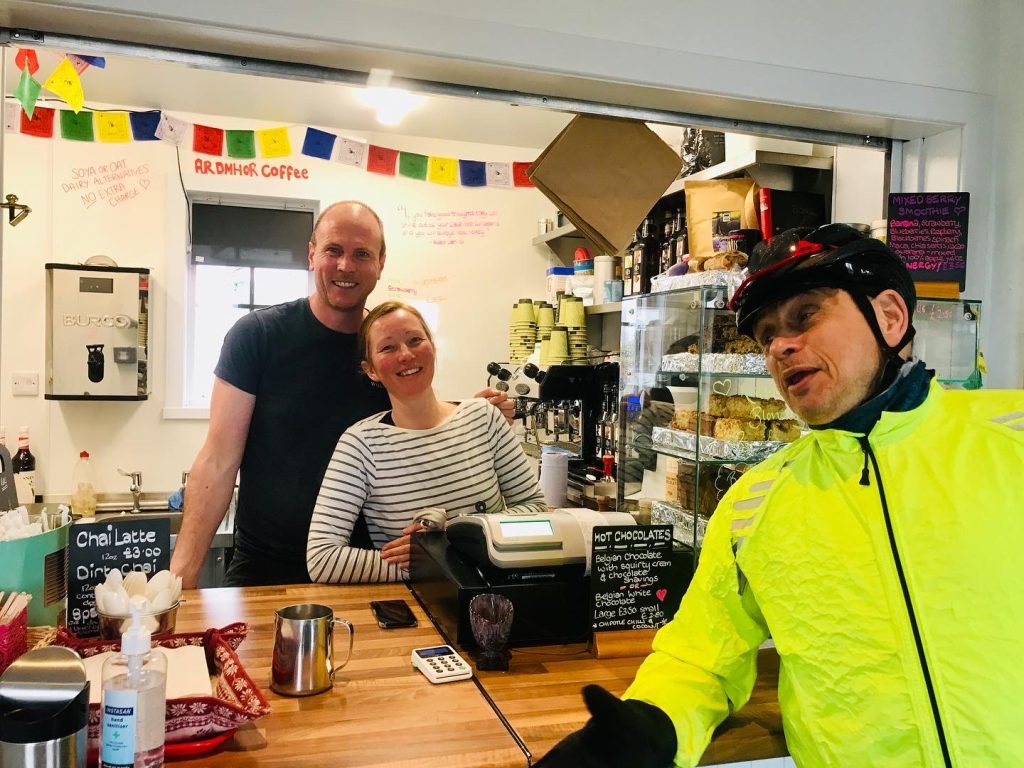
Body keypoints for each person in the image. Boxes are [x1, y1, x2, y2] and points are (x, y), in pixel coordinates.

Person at [537, 224, 1024, 767]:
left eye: (805, 315)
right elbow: (701, 657)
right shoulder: (756, 502)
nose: (780, 346)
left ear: (889, 316)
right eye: (766, 335)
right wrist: (650, 726)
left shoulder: (1011, 437)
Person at [170, 201, 511, 587]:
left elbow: (420, 421)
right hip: (265, 568)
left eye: (362, 254)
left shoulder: (386, 349)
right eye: (334, 250)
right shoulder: (257, 336)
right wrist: (180, 578)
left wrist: (474, 413)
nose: (346, 266)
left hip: (366, 570)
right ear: (312, 254)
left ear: (381, 263)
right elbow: (217, 460)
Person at [306, 300, 546, 583]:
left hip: (492, 599)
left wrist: (449, 542)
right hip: (415, 607)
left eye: (414, 340)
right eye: (388, 347)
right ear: (370, 369)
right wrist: (425, 564)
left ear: (432, 346)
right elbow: (321, 559)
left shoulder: (484, 418)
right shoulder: (360, 445)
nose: (406, 354)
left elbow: (534, 509)